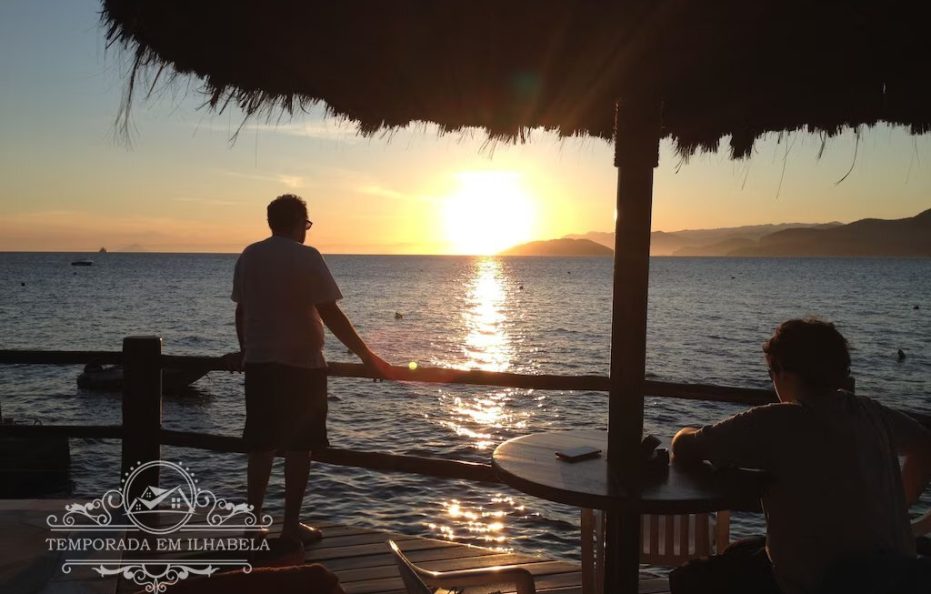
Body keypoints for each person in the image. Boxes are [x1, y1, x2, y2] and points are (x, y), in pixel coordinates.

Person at [669, 318, 931, 594]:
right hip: (895, 575)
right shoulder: (871, 413)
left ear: (782, 371)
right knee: (743, 550)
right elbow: (925, 444)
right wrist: (897, 505)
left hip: (816, 584)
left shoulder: (779, 421)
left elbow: (685, 446)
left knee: (687, 579)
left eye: (771, 373)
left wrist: (686, 431)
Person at [225, 194, 392, 545]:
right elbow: (330, 312)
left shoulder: (249, 255)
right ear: (300, 223)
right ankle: (290, 527)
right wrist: (366, 355)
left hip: (259, 364)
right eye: (307, 224)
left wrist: (245, 350)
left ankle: (252, 526)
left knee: (261, 447)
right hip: (302, 366)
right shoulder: (307, 256)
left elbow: (242, 311)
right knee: (300, 448)